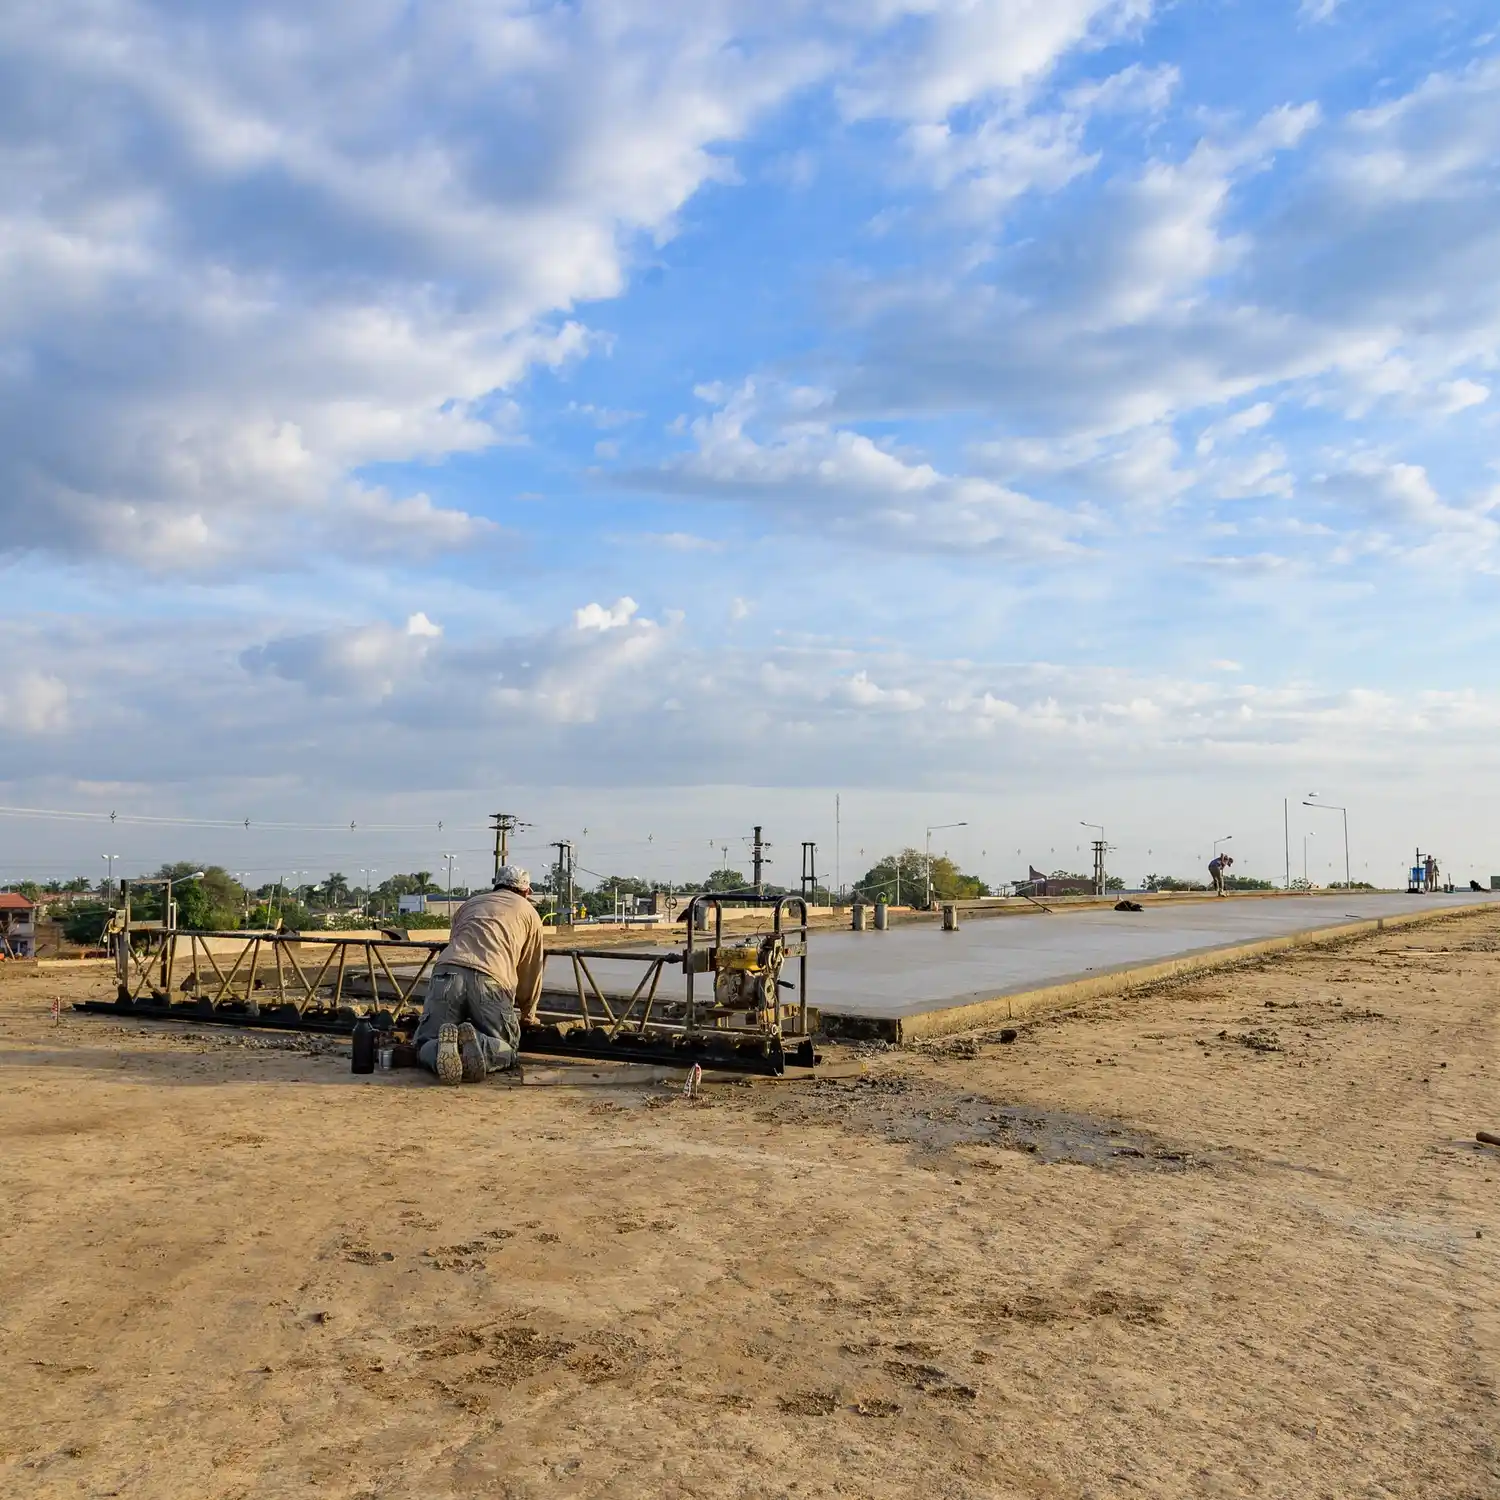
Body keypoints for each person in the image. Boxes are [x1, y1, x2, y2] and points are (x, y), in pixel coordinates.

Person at [412, 864, 543, 1085]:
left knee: (425, 1041)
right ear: (526, 891)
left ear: (496, 884)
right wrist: (528, 1014)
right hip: (491, 979)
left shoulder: (469, 904)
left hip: (447, 971)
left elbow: (455, 939)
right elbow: (531, 969)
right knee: (507, 1048)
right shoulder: (529, 913)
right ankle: (480, 1046)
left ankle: (441, 1050)